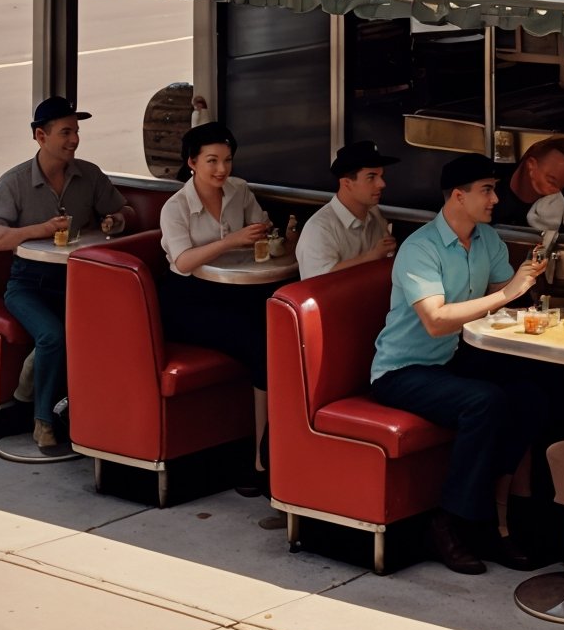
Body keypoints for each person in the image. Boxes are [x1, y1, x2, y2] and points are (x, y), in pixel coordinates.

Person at [369, 152, 562, 575]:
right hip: (402, 371)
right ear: (458, 196)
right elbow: (437, 322)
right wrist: (510, 292)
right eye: (486, 190)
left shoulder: (487, 240)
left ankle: (501, 518)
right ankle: (449, 522)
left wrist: (528, 281)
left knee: (532, 394)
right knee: (485, 401)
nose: (495, 199)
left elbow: (502, 297)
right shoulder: (419, 249)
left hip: (450, 361)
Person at [0, 97, 127, 453]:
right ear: (40, 136)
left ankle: (78, 414)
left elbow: (125, 211)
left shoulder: (89, 175)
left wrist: (116, 220)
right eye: (66, 132)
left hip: (77, 285)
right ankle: (43, 421)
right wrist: (40, 228)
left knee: (109, 333)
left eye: (76, 131)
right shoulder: (14, 182)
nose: (74, 139)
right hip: (27, 284)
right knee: (53, 335)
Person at [158, 123, 274, 492]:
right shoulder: (175, 208)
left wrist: (265, 233)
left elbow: (260, 224)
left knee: (283, 333)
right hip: (189, 302)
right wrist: (233, 240)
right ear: (191, 162)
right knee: (261, 346)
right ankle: (259, 461)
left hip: (237, 292)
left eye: (226, 160)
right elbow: (183, 262)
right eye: (212, 161)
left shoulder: (239, 190)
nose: (221, 169)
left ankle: (276, 449)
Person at [295, 140, 399, 278]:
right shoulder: (319, 229)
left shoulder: (374, 213)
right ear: (347, 183)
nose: (382, 184)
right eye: (371, 177)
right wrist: (372, 256)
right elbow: (318, 283)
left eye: (381, 176)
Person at [496, 137, 564, 250]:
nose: (554, 191)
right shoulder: (491, 196)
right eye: (551, 181)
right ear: (531, 164)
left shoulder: (556, 212)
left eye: (560, 186)